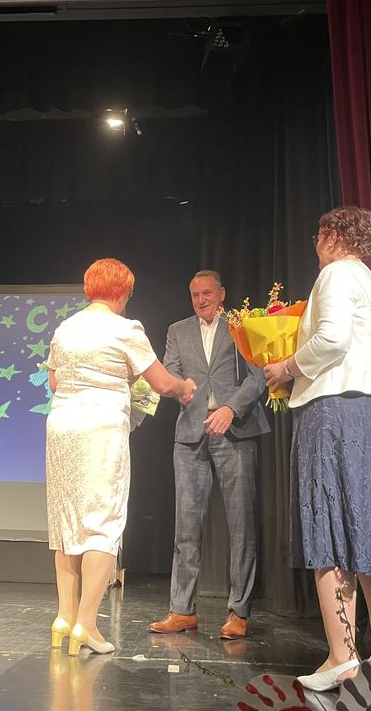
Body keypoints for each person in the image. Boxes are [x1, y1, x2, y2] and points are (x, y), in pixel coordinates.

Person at [262, 207, 371, 689]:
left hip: (336, 411)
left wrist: (286, 368)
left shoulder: (335, 274)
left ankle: (342, 656)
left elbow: (332, 339)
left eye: (319, 235)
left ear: (334, 236)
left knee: (329, 523)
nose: (316, 244)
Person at [46, 258, 195, 657]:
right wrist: (184, 387)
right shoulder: (126, 329)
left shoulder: (65, 328)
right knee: (103, 521)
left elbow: (55, 381)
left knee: (68, 520)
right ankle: (87, 624)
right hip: (100, 428)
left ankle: (64, 617)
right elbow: (160, 382)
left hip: (62, 425)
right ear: (125, 292)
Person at [148, 270, 269, 640]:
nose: (201, 300)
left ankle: (239, 612)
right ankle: (182, 610)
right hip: (191, 434)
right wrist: (179, 388)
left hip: (234, 430)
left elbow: (258, 377)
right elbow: (170, 371)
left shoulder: (240, 325)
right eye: (195, 294)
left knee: (241, 525)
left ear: (222, 294)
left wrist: (230, 409)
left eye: (207, 293)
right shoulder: (177, 331)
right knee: (185, 527)